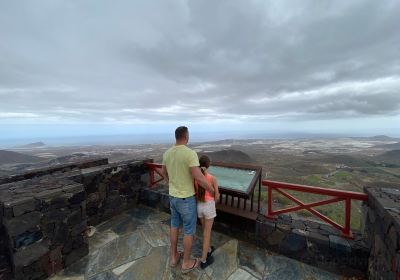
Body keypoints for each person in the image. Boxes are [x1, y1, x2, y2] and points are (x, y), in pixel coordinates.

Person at [162, 126, 215, 274]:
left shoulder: (167, 153)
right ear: (186, 136)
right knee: (189, 231)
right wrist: (210, 189)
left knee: (174, 225)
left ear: (176, 137)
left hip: (173, 197)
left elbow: (163, 172)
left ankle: (173, 257)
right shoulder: (190, 153)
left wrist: (170, 183)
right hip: (186, 199)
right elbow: (198, 176)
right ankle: (186, 262)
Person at [195, 155, 220, 269]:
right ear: (208, 165)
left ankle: (209, 249)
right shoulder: (213, 178)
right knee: (207, 234)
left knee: (204, 230)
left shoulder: (195, 178)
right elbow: (217, 197)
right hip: (209, 206)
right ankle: (204, 260)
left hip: (199, 206)